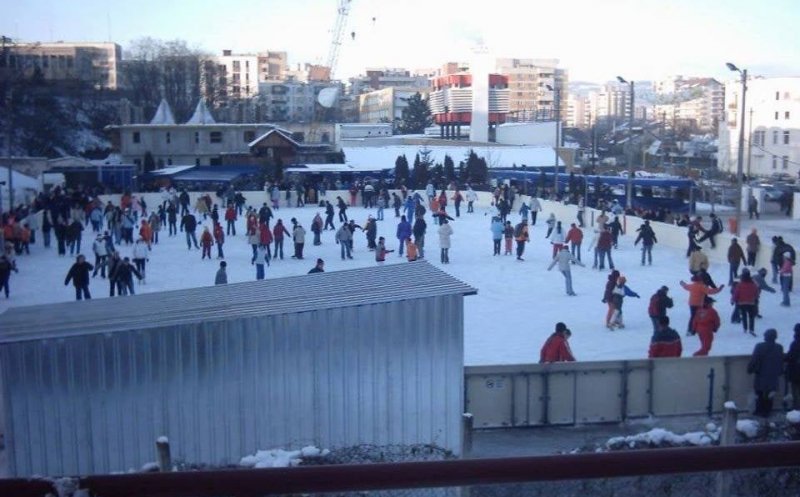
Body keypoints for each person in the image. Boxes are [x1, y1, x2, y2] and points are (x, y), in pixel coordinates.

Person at [747, 328, 784, 418]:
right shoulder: (779, 347)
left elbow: (754, 360)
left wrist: (749, 369)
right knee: (769, 394)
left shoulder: (759, 346)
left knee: (759, 393)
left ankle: (759, 410)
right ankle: (767, 411)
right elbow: (780, 361)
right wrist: (780, 371)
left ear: (765, 337)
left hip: (761, 374)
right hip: (773, 375)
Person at [733, 270, 759, 336]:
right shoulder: (753, 284)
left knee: (744, 316)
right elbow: (756, 292)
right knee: (751, 316)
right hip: (751, 302)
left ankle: (745, 328)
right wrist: (756, 298)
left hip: (742, 302)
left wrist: (733, 300)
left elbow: (736, 293)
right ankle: (751, 329)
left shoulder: (740, 284)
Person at [784, 324, 800, 410]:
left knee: (796, 391)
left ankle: (797, 410)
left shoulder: (796, 343)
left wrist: (784, 358)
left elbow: (791, 356)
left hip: (796, 372)